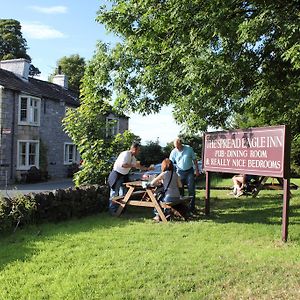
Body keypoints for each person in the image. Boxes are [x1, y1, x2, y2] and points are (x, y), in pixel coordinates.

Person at [108, 142, 149, 215]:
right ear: (134, 149)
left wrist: (147, 168)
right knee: (114, 194)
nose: (139, 152)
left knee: (124, 194)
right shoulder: (126, 154)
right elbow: (123, 165)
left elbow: (137, 166)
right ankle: (113, 211)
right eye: (138, 150)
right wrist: (133, 165)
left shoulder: (133, 157)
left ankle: (121, 210)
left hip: (124, 176)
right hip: (117, 175)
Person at [169, 137, 200, 212]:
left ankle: (192, 208)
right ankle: (182, 208)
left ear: (181, 143)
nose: (177, 148)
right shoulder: (174, 151)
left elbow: (194, 160)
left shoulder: (189, 149)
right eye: (175, 146)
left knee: (191, 190)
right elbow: (170, 163)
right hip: (179, 172)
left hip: (189, 171)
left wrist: (197, 170)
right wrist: (170, 173)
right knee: (180, 190)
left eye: (178, 146)